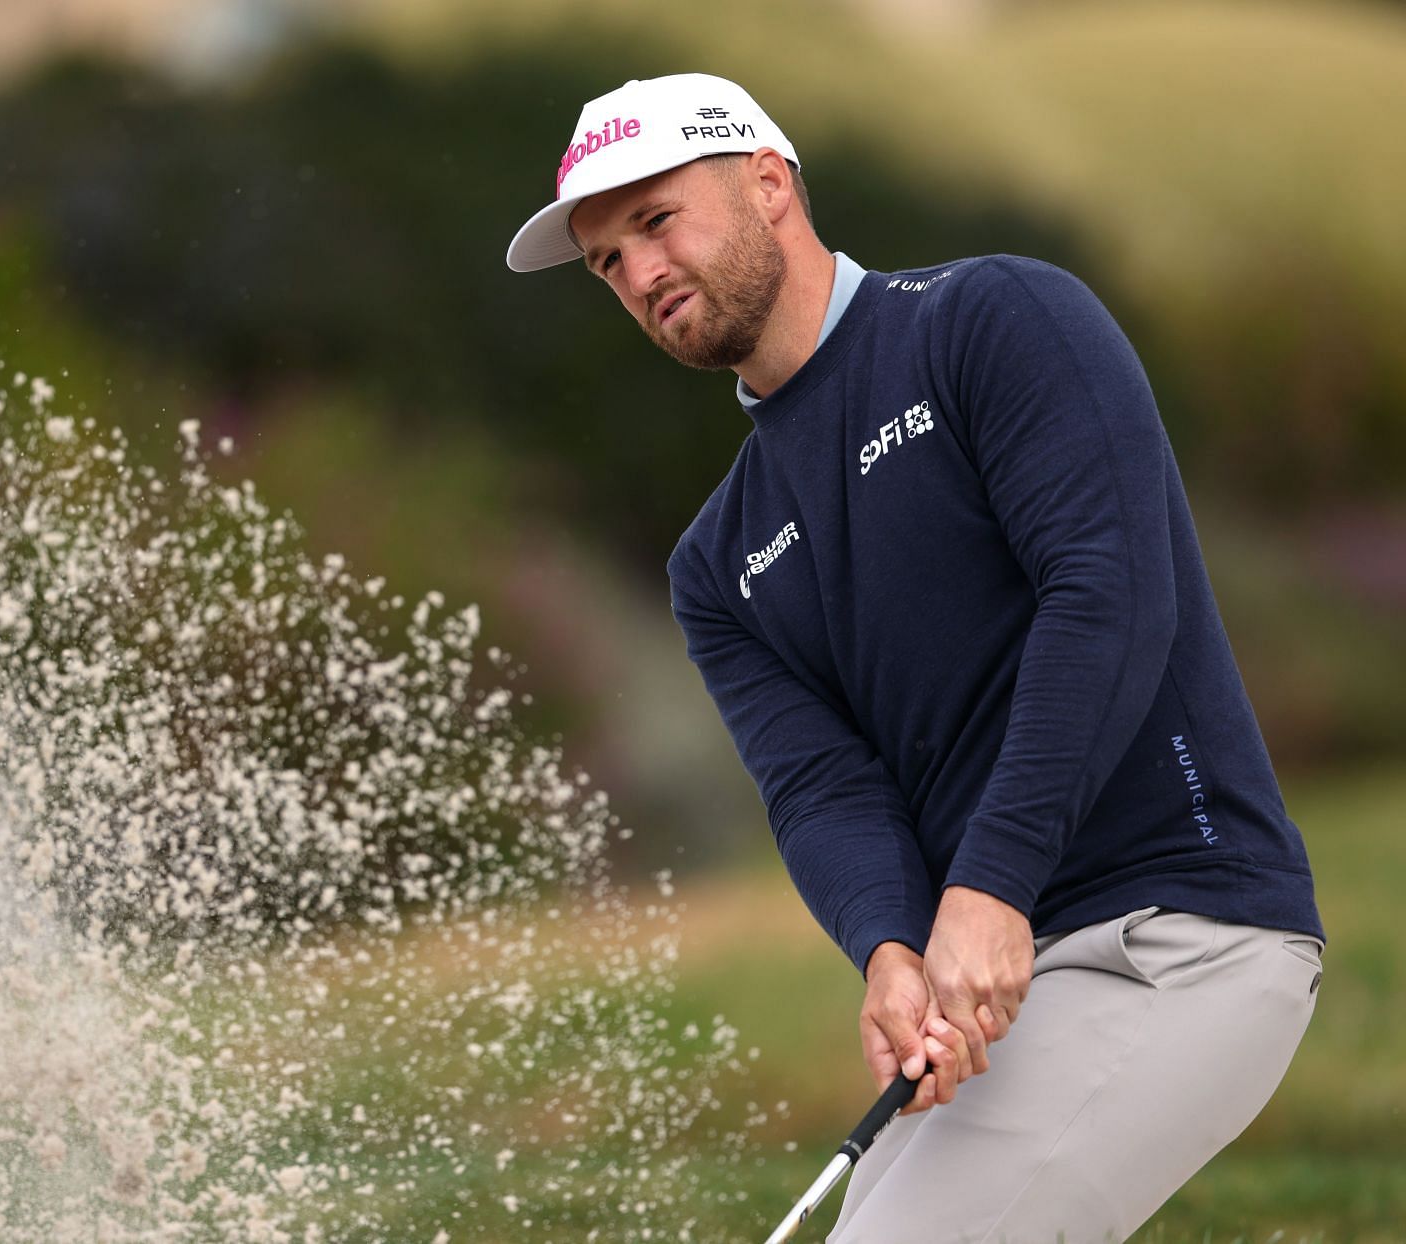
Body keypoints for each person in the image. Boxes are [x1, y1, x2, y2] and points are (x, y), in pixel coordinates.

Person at [504, 73, 1325, 1243]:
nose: (638, 274)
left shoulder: (993, 321)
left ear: (769, 183)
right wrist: (889, 947)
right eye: (605, 262)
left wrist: (985, 887)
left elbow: (1106, 599)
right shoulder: (717, 561)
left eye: (654, 221)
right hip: (1005, 988)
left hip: (1185, 933)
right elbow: (822, 784)